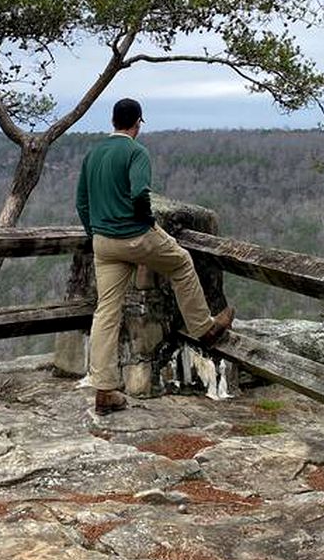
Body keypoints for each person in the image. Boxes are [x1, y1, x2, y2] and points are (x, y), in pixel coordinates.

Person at [75, 97, 234, 415]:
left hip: (103, 241)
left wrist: (96, 234)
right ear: (137, 124)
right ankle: (204, 328)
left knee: (106, 311)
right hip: (135, 235)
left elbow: (82, 202)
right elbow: (138, 193)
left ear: (113, 122)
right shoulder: (136, 152)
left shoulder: (93, 154)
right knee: (182, 263)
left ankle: (104, 390)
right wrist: (145, 223)